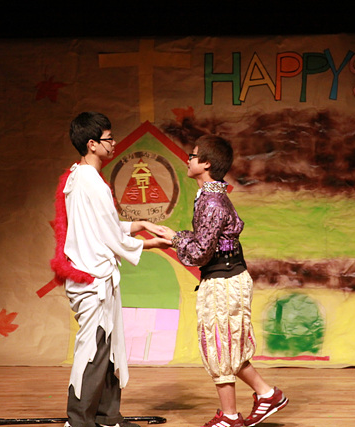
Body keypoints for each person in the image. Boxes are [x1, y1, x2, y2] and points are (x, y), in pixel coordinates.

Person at [162, 135, 288, 427]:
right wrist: (175, 237)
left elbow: (200, 253)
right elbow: (205, 241)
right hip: (226, 278)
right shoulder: (209, 197)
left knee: (220, 345)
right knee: (229, 345)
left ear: (206, 163)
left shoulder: (212, 201)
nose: (189, 159)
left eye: (193, 155)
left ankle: (230, 416)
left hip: (224, 280)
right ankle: (267, 394)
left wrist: (174, 239)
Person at [57, 112, 171, 427]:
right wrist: (151, 244)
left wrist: (140, 224)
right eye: (108, 138)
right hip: (92, 278)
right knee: (93, 349)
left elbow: (103, 226)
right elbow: (109, 236)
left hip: (96, 276)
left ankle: (107, 417)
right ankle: (79, 420)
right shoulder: (91, 182)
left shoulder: (79, 176)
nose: (114, 143)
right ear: (92, 144)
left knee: (107, 347)